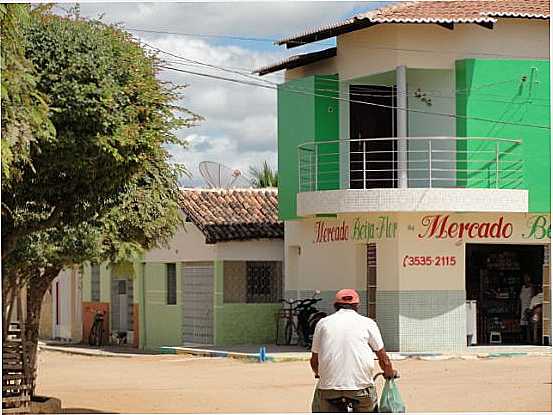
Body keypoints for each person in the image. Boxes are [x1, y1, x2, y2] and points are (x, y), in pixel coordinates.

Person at [310, 288, 396, 413]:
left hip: (328, 389)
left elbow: (314, 361)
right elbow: (383, 359)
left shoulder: (323, 323)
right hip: (361, 389)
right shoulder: (368, 323)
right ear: (357, 305)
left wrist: (320, 374)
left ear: (335, 306)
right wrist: (389, 372)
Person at [519, 274, 534, 343]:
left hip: (529, 306)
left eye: (527, 278)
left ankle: (529, 338)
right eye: (525, 278)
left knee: (529, 322)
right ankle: (524, 338)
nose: (526, 279)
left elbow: (533, 297)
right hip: (523, 306)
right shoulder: (523, 287)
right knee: (523, 323)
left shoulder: (532, 287)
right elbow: (520, 297)